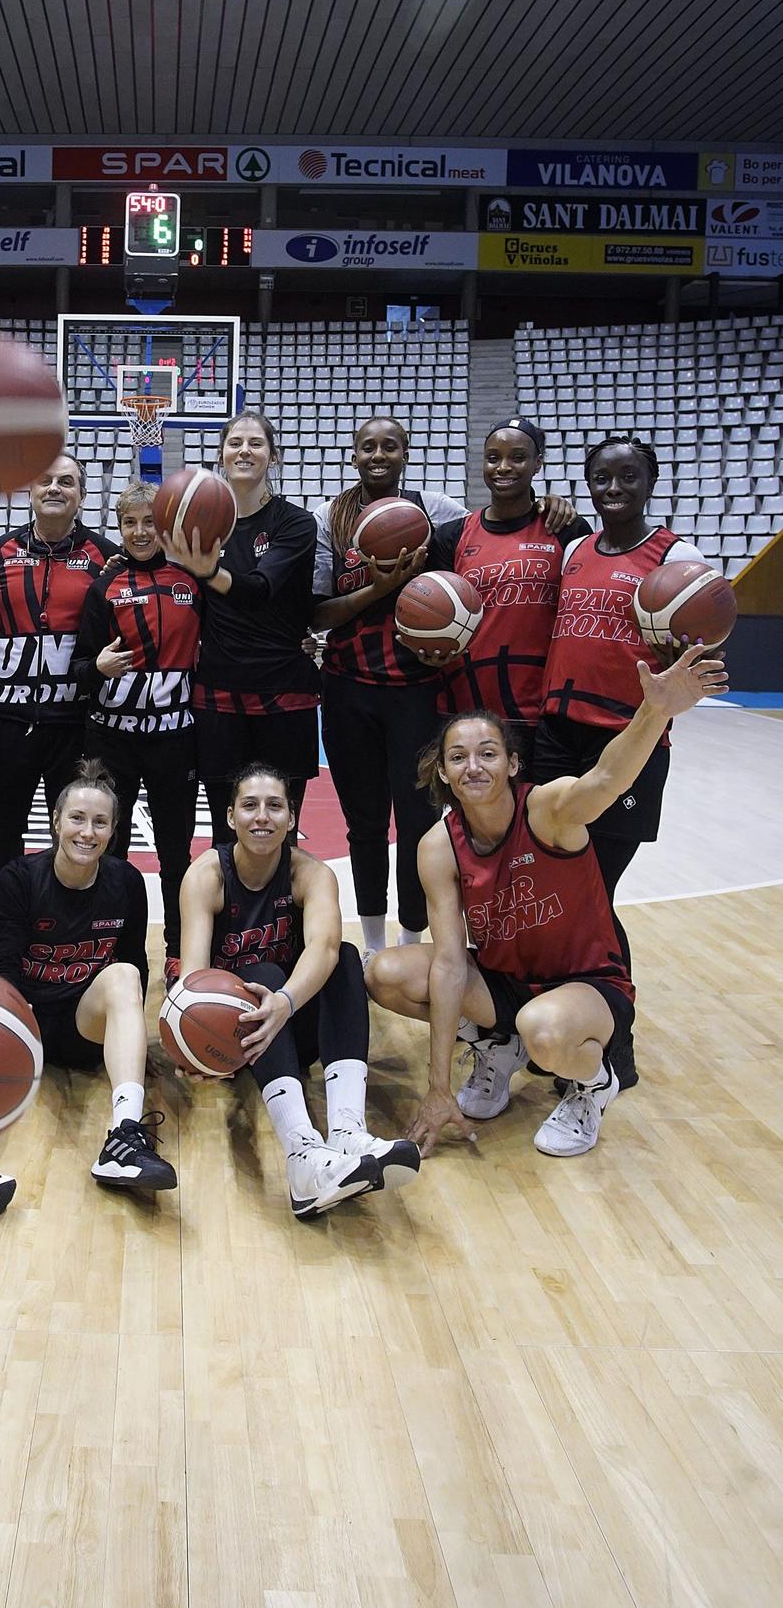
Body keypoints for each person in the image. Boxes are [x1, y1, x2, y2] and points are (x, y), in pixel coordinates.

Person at [366, 646, 726, 1159]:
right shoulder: (437, 846)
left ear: (513, 762)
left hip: (587, 986)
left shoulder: (549, 809)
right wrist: (438, 1087)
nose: (474, 766)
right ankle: (496, 1045)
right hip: (505, 984)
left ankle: (594, 1086)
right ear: (442, 773)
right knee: (386, 973)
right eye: (458, 756)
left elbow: (605, 779)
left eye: (488, 752)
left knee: (545, 1029)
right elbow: (448, 964)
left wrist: (655, 712)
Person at [0, 760, 175, 1240]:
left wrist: (133, 1042)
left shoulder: (126, 883)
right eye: (77, 819)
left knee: (126, 972)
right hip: (23, 1025)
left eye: (100, 822)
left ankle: (126, 1139)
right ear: (56, 821)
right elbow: (3, 974)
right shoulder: (18, 881)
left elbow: (134, 966)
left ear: (114, 830)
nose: (87, 832)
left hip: (84, 1028)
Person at [533, 433, 707, 1087]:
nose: (613, 488)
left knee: (592, 899)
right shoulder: (576, 549)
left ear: (650, 482)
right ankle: (561, 1022)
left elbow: (704, 645)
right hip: (558, 735)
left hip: (627, 743)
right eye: (601, 477)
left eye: (627, 477)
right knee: (558, 894)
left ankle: (616, 1046)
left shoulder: (675, 557)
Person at [178, 761, 420, 1220]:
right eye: (249, 806)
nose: (262, 817)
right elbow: (193, 982)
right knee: (263, 976)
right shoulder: (207, 875)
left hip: (288, 1020)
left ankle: (348, 1130)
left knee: (346, 958)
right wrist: (197, 1049)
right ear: (230, 817)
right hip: (235, 1035)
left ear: (292, 819)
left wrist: (284, 1004)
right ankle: (302, 1155)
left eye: (275, 806)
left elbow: (325, 947)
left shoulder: (311, 874)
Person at [311, 417, 466, 963]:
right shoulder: (329, 518)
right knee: (366, 821)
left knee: (420, 820)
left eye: (390, 446)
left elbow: (495, 530)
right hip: (349, 686)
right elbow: (317, 613)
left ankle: (411, 940)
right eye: (368, 446)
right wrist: (378, 588)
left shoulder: (439, 510)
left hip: (417, 688)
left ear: (405, 453)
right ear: (353, 455)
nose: (378, 455)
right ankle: (373, 942)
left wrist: (551, 512)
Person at [161, 412, 319, 845]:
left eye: (255, 443)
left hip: (285, 691)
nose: (244, 450)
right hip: (218, 693)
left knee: (280, 828)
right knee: (224, 829)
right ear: (221, 455)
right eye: (235, 443)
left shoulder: (296, 524)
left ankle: (281, 913)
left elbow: (260, 589)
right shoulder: (195, 522)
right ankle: (227, 913)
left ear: (273, 456)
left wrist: (207, 570)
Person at [72, 480, 202, 986]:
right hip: (112, 741)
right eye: (131, 522)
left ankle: (177, 949)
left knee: (176, 851)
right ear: (119, 527)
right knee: (112, 850)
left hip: (175, 739)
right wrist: (97, 667)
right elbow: (79, 666)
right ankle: (116, 950)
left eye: (151, 522)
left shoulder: (192, 581)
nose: (141, 531)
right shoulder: (103, 586)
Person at [0, 455, 115, 877]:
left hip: (73, 724)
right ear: (30, 492)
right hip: (7, 720)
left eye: (66, 482)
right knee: (1, 832)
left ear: (82, 496)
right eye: (44, 480)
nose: (54, 488)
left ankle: (65, 930)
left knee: (75, 835)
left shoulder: (104, 557)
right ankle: (5, 935)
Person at [425, 418, 591, 769]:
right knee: (475, 817)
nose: (503, 467)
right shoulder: (452, 536)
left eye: (517, 457)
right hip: (467, 704)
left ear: (538, 463)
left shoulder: (566, 529)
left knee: (538, 816)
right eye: (493, 457)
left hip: (542, 709)